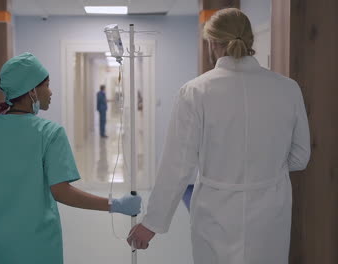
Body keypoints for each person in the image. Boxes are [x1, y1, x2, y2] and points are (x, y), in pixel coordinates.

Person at [127, 8, 311, 264]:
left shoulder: (196, 91)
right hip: (271, 212)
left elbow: (178, 166)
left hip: (216, 213)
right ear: (250, 41)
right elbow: (300, 157)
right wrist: (266, 168)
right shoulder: (288, 89)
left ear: (212, 42)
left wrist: (152, 223)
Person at [0, 52, 141, 264]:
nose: (51, 92)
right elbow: (62, 192)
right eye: (47, 85)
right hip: (39, 247)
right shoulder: (49, 133)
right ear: (32, 91)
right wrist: (115, 204)